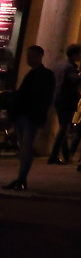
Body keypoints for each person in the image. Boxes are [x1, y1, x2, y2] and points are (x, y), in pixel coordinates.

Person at [7, 44, 55, 190]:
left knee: (26, 147)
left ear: (39, 56)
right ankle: (21, 178)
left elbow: (43, 98)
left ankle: (21, 179)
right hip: (25, 115)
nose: (28, 58)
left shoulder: (43, 75)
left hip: (30, 116)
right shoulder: (33, 74)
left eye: (31, 55)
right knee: (24, 147)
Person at [46, 45, 81, 165]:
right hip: (66, 99)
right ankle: (54, 155)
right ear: (74, 54)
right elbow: (73, 80)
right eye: (79, 53)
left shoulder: (60, 65)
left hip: (58, 98)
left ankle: (66, 156)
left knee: (63, 126)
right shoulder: (69, 67)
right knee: (64, 128)